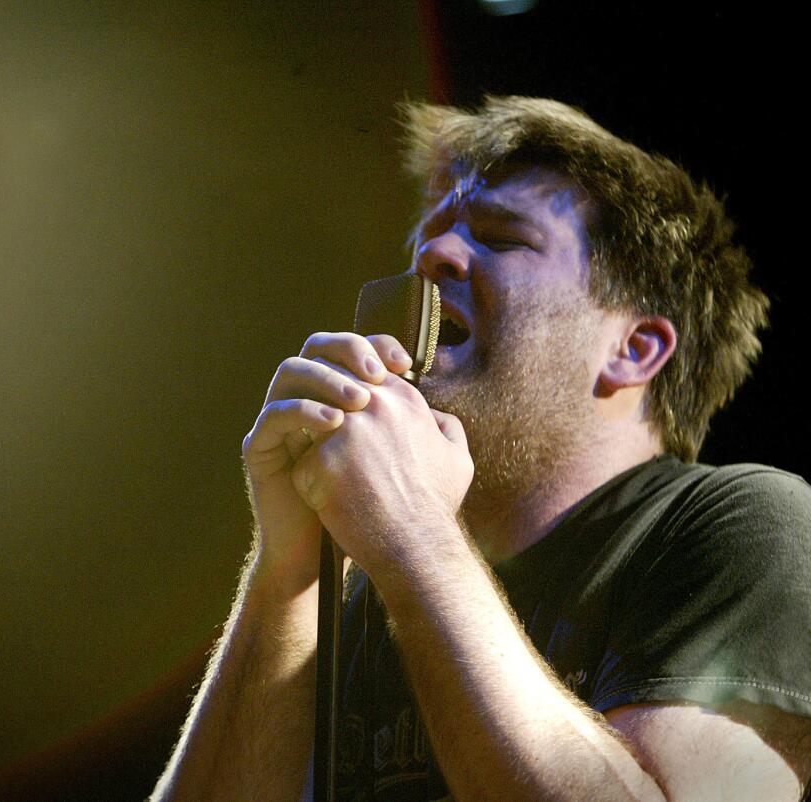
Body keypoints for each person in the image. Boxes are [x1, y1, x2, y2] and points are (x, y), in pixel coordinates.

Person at [150, 96, 811, 801]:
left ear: (633, 348)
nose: (432, 255)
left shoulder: (744, 524)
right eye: (429, 236)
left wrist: (413, 533)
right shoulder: (365, 592)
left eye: (502, 237)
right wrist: (287, 567)